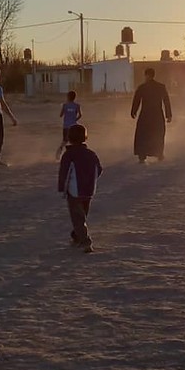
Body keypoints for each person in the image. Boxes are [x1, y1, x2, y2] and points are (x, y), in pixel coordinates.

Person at [58, 124, 103, 254]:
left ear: (69, 138)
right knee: (82, 215)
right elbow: (99, 170)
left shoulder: (68, 155)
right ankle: (77, 236)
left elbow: (64, 173)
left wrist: (62, 188)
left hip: (74, 191)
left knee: (77, 216)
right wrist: (91, 181)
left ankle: (85, 242)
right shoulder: (91, 154)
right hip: (88, 190)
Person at [130, 67, 172, 164]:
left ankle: (142, 155)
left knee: (143, 135)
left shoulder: (142, 87)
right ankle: (159, 153)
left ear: (147, 75)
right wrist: (168, 115)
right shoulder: (161, 87)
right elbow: (166, 101)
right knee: (158, 134)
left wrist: (133, 111)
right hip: (157, 114)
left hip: (145, 115)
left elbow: (136, 100)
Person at [56, 90, 82, 159]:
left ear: (68, 97)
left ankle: (59, 152)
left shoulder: (65, 105)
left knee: (65, 140)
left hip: (66, 126)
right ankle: (75, 155)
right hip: (73, 126)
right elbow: (80, 115)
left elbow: (61, 115)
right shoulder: (77, 105)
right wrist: (75, 119)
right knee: (74, 141)